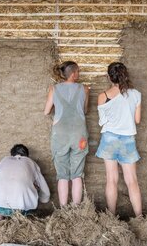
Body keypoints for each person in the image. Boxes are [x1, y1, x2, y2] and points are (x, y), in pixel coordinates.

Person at [96, 62, 142, 217]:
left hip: (109, 139)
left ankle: (111, 216)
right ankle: (140, 217)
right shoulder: (136, 94)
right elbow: (137, 120)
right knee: (132, 181)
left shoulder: (103, 96)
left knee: (111, 180)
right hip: (127, 140)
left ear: (109, 77)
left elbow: (102, 121)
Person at [44, 61, 89, 206]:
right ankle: (76, 209)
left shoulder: (54, 89)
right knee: (77, 174)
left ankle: (63, 210)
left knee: (62, 174)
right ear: (74, 73)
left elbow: (46, 111)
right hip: (79, 135)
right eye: (78, 71)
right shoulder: (84, 89)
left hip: (60, 134)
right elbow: (85, 110)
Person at [0, 144, 50, 221]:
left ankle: (0, 217)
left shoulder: (4, 161)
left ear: (12, 154)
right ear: (27, 155)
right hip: (22, 209)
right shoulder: (31, 163)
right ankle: (22, 218)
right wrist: (44, 199)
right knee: (35, 186)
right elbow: (43, 186)